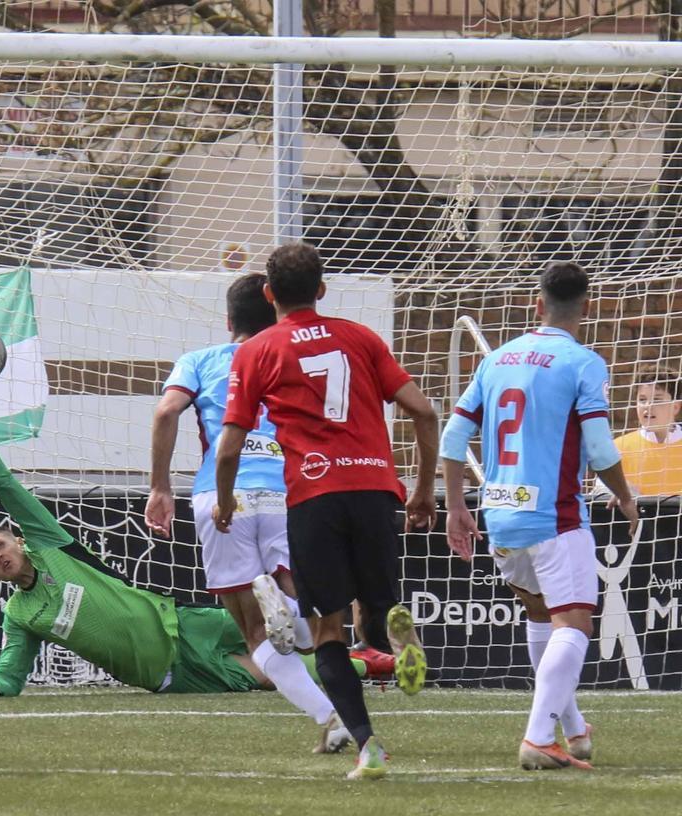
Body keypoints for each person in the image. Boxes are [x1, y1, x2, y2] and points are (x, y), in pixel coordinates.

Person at [0, 376, 331, 718]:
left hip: (179, 620)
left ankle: (335, 628)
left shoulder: (50, 544)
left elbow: (7, 487)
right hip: (170, 672)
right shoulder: (20, 615)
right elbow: (11, 675)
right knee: (267, 672)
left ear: (18, 540)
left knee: (276, 624)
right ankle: (369, 664)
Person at [213, 242, 439, 780]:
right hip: (376, 488)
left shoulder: (256, 351)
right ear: (322, 289)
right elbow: (426, 412)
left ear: (269, 295)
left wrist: (225, 501)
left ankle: (368, 748)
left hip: (314, 496)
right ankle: (397, 633)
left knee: (329, 629)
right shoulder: (361, 338)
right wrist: (425, 491)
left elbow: (228, 446)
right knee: (377, 611)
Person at [146, 271, 392, 753]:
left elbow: (165, 412)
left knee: (255, 632)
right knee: (314, 625)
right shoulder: (291, 351)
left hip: (223, 492)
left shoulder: (199, 360)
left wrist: (159, 486)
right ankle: (297, 620)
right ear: (272, 305)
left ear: (228, 319)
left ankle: (330, 716)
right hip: (287, 490)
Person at [440, 260, 639, 772]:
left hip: (501, 515)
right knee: (574, 625)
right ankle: (536, 738)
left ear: (537, 304)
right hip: (555, 517)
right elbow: (597, 446)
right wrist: (624, 496)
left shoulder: (498, 360)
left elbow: (453, 437)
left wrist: (458, 506)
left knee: (540, 616)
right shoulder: (583, 362)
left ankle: (572, 730)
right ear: (586, 309)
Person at [612, 363, 682, 496]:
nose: (648, 406)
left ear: (676, 407)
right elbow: (601, 493)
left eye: (657, 400)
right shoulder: (619, 447)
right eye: (642, 400)